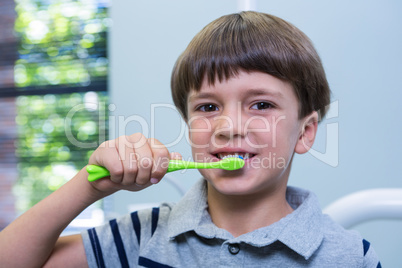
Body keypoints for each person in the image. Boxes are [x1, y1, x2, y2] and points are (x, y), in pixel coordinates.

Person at [0, 11, 381, 267]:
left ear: (306, 131)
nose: (230, 126)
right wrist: (88, 185)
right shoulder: (141, 236)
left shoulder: (351, 256)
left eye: (261, 104)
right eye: (208, 108)